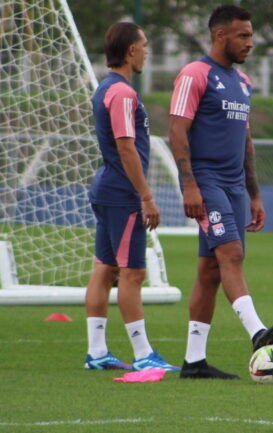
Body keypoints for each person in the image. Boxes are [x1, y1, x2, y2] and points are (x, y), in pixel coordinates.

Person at [168, 5, 273, 379]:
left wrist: (254, 194)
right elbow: (177, 132)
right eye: (244, 36)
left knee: (210, 271)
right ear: (221, 36)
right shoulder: (194, 74)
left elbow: (246, 142)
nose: (251, 42)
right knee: (231, 254)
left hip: (235, 186)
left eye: (251, 35)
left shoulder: (243, 82)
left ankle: (194, 362)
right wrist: (189, 184)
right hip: (207, 183)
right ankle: (257, 334)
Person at [84, 22, 178, 371]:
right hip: (122, 194)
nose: (148, 51)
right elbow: (126, 148)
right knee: (132, 273)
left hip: (107, 188)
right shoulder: (123, 93)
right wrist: (147, 196)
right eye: (145, 44)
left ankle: (97, 353)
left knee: (105, 269)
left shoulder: (104, 88)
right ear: (131, 51)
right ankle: (143, 355)